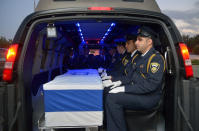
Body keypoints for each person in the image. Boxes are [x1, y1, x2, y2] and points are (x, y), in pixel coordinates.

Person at [105, 26, 165, 131]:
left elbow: (150, 85)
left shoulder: (156, 59)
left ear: (149, 42)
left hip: (149, 97)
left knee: (112, 98)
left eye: (140, 40)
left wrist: (124, 89)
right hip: (139, 92)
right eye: (137, 39)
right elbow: (130, 76)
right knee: (108, 91)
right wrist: (117, 82)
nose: (136, 42)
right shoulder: (139, 57)